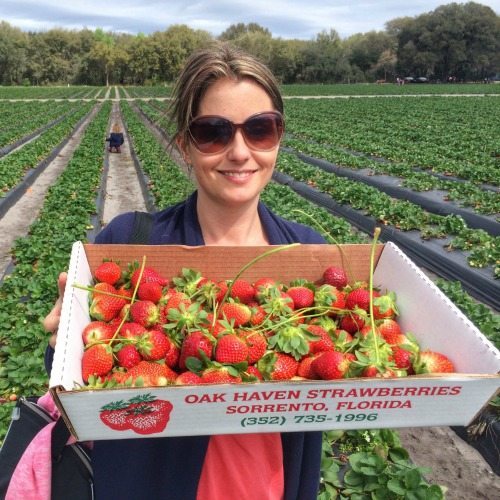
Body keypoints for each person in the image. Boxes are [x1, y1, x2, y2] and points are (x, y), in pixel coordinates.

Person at [44, 42, 325, 500]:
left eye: (260, 129)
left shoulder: (308, 257)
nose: (239, 151)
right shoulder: (128, 243)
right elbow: (77, 385)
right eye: (213, 132)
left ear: (278, 138)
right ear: (184, 146)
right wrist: (60, 344)